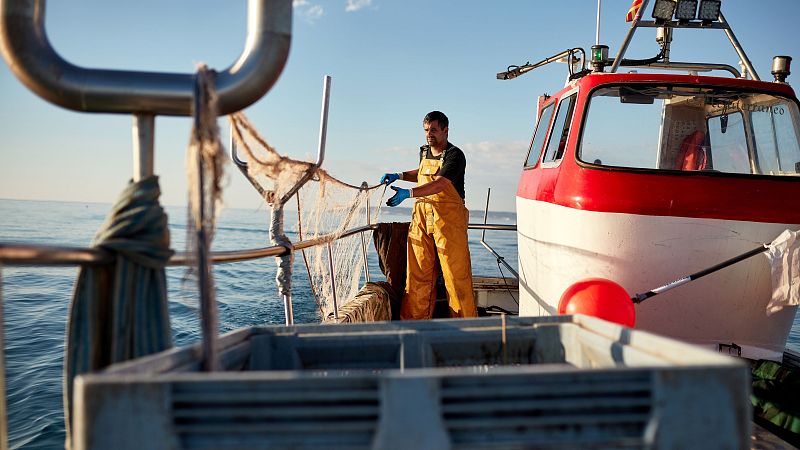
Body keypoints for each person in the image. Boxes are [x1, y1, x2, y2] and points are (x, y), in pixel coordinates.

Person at [380, 111, 477, 320]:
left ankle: (467, 328)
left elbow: (441, 182)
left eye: (433, 130)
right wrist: (400, 175)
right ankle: (414, 325)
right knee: (417, 276)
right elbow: (422, 172)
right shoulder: (424, 151)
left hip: (448, 221)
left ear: (445, 130)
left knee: (455, 276)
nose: (429, 134)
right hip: (422, 219)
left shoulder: (455, 155)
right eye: (426, 130)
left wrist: (409, 193)